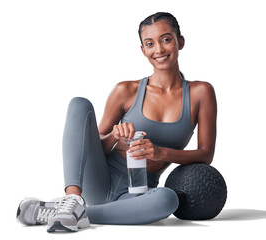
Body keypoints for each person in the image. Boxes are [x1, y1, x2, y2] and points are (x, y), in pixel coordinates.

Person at [16, 12, 217, 232]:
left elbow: (205, 154)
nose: (158, 50)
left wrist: (160, 153)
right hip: (99, 179)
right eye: (150, 44)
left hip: (137, 191)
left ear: (180, 41)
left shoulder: (200, 92)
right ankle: (72, 200)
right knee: (79, 104)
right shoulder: (126, 91)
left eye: (166, 39)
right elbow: (90, 146)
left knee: (168, 200)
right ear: (143, 50)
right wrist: (114, 136)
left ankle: (66, 213)